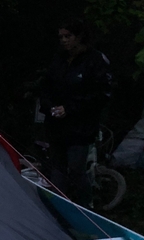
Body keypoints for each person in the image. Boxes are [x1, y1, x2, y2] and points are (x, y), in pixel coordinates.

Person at [39, 17, 111, 207]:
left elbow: (101, 94)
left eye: (68, 36)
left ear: (79, 37)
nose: (64, 40)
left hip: (80, 127)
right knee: (57, 169)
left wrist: (70, 109)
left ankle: (86, 207)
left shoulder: (95, 60)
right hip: (56, 124)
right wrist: (49, 107)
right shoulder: (59, 59)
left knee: (76, 170)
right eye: (61, 36)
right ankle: (57, 207)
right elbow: (45, 86)